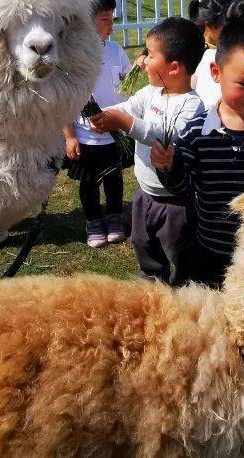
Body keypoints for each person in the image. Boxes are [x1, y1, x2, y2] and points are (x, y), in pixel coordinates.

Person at [158, 18, 244, 288]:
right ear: (216, 72)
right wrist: (168, 166)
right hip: (211, 248)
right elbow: (181, 188)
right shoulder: (196, 132)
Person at [90, 17, 205, 286]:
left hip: (174, 203)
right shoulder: (152, 91)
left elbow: (161, 134)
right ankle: (149, 279)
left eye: (150, 55)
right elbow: (128, 107)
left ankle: (177, 290)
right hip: (145, 194)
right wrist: (104, 115)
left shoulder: (191, 106)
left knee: (175, 250)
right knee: (142, 241)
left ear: (174, 67)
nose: (142, 61)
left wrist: (122, 123)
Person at [63, 0, 132, 248]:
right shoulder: (72, 58)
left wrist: (134, 73)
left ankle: (115, 217)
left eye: (112, 19)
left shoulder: (115, 51)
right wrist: (70, 136)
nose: (111, 25)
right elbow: (65, 101)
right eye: (105, 20)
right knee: (88, 183)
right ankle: (93, 221)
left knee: (114, 179)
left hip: (114, 131)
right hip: (86, 134)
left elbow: (125, 83)